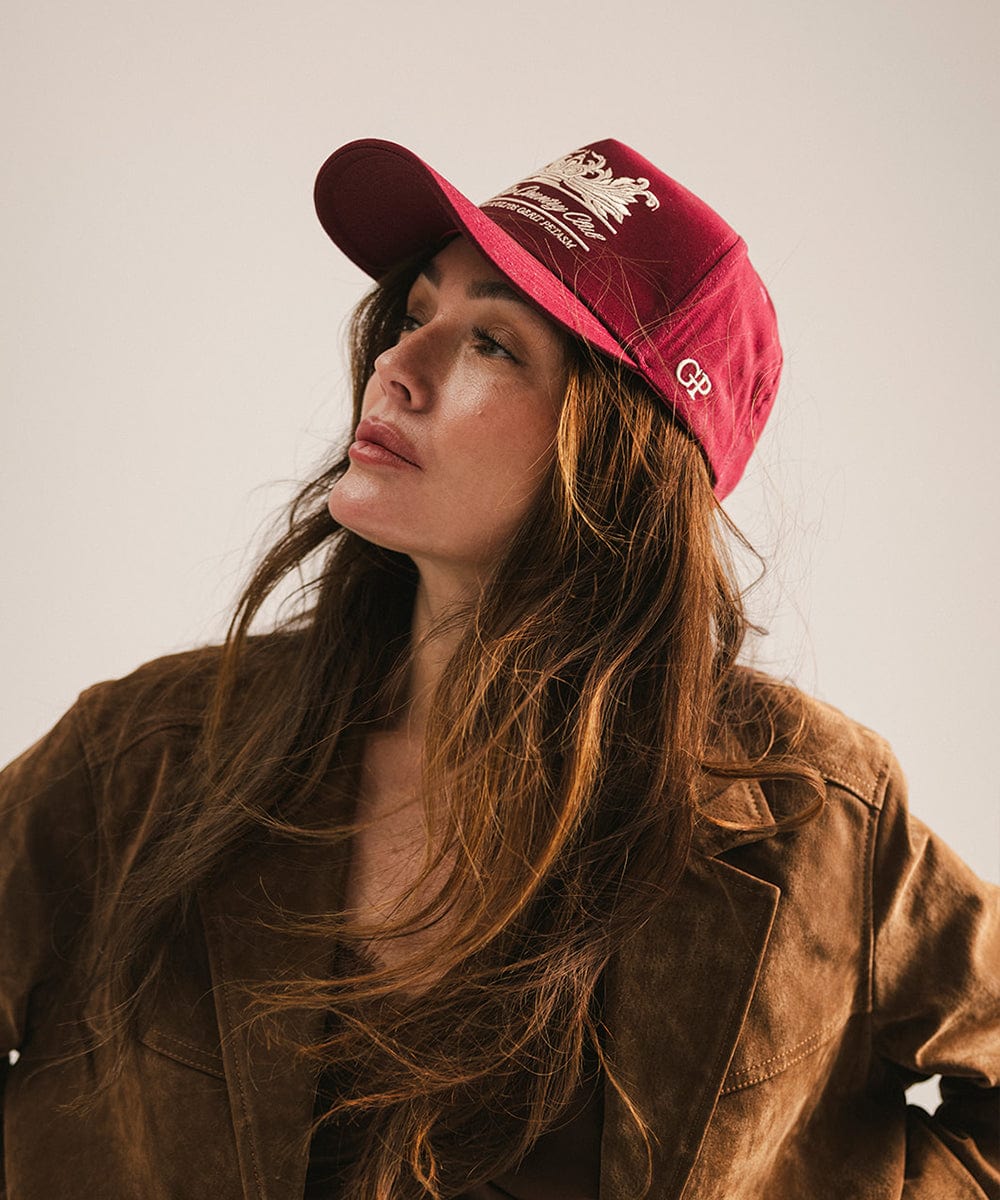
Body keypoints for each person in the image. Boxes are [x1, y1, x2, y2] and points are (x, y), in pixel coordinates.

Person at [1, 137, 997, 1200]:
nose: (397, 366)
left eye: (489, 342)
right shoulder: (144, 756)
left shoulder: (812, 814)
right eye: (414, 313)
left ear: (620, 453)